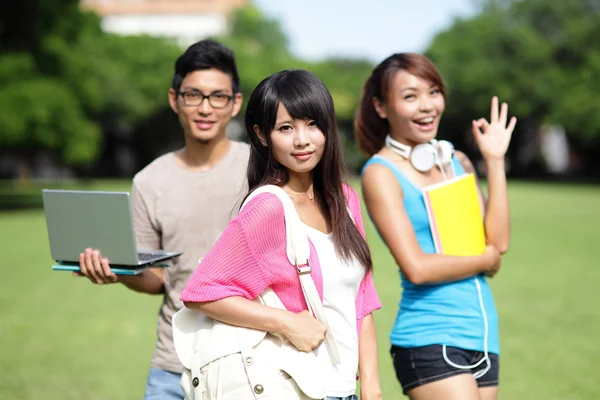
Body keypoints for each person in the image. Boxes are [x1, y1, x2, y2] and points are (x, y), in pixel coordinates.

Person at [180, 69, 383, 400]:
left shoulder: (346, 200)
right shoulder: (268, 208)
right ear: (262, 135)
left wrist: (371, 388)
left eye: (312, 124)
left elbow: (363, 301)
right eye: (286, 128)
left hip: (346, 390)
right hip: (296, 388)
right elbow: (202, 291)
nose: (302, 140)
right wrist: (287, 323)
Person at [76, 39, 250, 400]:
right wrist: (118, 271)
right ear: (174, 99)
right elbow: (157, 279)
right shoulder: (149, 181)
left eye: (218, 96)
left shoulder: (261, 170)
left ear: (235, 104)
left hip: (248, 360)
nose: (205, 108)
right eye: (193, 95)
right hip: (174, 366)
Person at [355, 53, 515, 400]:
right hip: (430, 337)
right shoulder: (380, 173)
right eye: (410, 96)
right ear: (382, 107)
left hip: (483, 334)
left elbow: (497, 242)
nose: (427, 106)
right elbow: (416, 268)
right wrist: (484, 262)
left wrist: (495, 161)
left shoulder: (454, 161)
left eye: (434, 92)